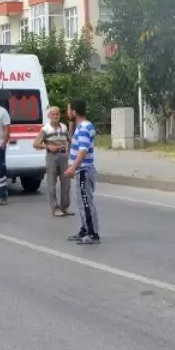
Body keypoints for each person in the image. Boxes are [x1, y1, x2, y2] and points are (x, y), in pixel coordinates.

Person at [63, 98, 99, 245]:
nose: (67, 112)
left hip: (84, 170)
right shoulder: (83, 126)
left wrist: (73, 167)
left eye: (68, 110)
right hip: (82, 171)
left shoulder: (83, 128)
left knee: (86, 203)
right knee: (80, 202)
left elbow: (83, 151)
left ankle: (93, 234)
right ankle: (84, 229)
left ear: (75, 111)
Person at [33, 105, 71, 217]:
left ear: (60, 115)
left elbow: (70, 140)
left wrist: (69, 150)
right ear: (49, 115)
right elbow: (36, 143)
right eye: (53, 114)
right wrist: (48, 147)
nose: (55, 116)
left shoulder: (64, 127)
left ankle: (65, 207)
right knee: (51, 183)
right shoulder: (45, 129)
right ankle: (55, 208)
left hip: (64, 156)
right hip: (52, 157)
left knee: (66, 183)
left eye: (57, 114)